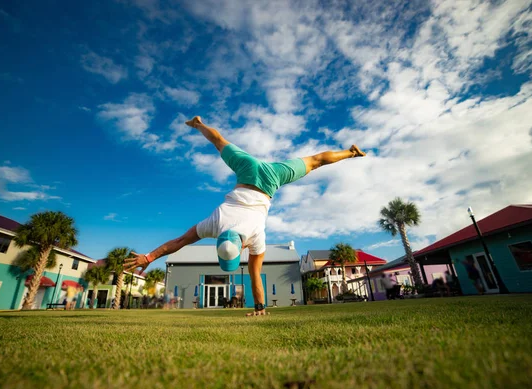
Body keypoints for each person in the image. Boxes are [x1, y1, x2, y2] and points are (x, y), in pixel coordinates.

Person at [123, 116, 366, 316]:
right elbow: (179, 242)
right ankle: (351, 152)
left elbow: (254, 276)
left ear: (237, 249)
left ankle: (352, 153)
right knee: (221, 142)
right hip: (250, 169)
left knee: (314, 162)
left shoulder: (250, 235)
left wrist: (260, 307)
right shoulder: (214, 224)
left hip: (271, 177)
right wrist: (148, 256)